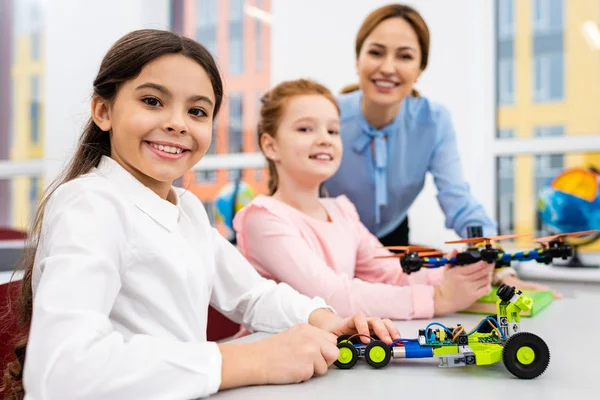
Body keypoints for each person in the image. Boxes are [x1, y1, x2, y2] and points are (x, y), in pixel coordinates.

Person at [0, 30, 401, 400]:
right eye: (152, 101)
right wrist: (249, 361)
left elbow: (251, 294)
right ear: (103, 111)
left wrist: (324, 318)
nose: (177, 123)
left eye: (197, 111)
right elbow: (62, 370)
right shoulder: (89, 204)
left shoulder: (185, 207)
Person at [320, 3, 559, 295]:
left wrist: (498, 266)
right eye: (376, 52)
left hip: (393, 240)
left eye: (405, 56)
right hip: (330, 239)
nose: (387, 67)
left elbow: (457, 199)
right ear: (357, 59)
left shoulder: (434, 121)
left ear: (420, 69)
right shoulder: (327, 114)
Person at [232, 78, 495, 323]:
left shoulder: (343, 211)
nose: (325, 139)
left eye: (333, 131)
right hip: (279, 359)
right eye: (305, 128)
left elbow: (391, 273)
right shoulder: (263, 218)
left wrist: (450, 274)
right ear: (270, 146)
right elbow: (332, 297)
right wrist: (438, 298)